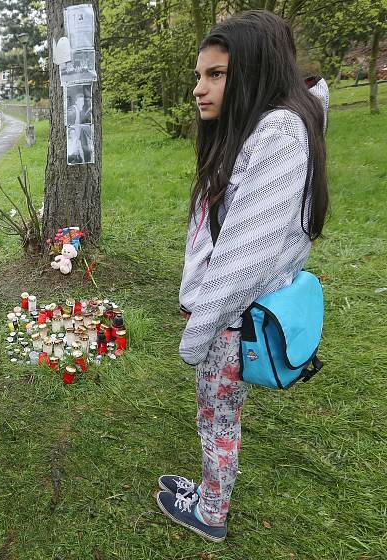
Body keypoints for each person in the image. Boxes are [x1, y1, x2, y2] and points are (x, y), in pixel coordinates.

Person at [156, 10, 329, 542]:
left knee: (217, 420)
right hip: (230, 314)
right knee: (219, 416)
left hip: (230, 319)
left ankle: (210, 512)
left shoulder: (277, 132)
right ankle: (210, 492)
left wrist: (198, 331)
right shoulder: (272, 122)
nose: (197, 89)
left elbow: (243, 254)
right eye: (198, 75)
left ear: (252, 71)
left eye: (216, 75)